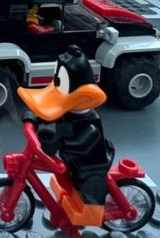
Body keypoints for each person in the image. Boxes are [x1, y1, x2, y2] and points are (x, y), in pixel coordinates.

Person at [17, 46, 113, 216]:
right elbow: (54, 115)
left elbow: (82, 144)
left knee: (89, 188)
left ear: (85, 95)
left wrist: (58, 143)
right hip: (72, 162)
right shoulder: (69, 112)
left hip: (88, 167)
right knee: (66, 174)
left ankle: (90, 213)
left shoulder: (89, 123)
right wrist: (36, 118)